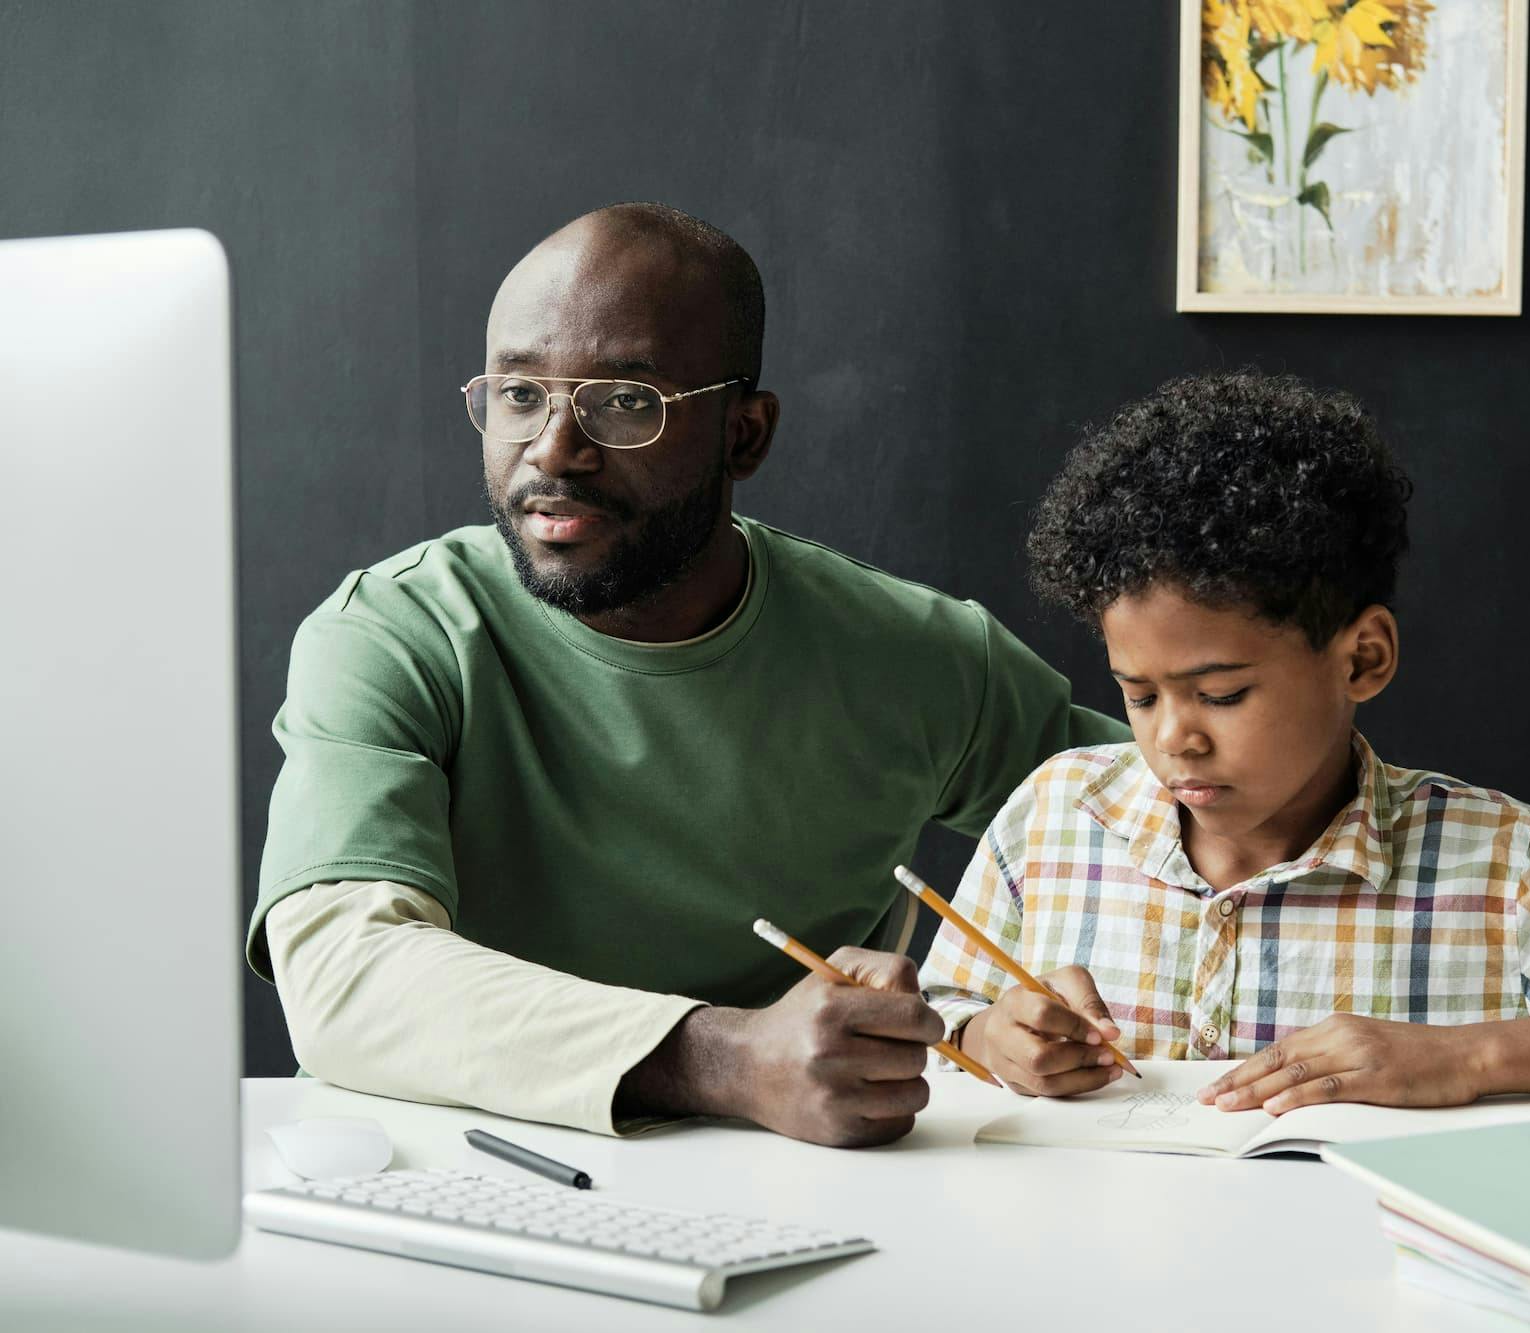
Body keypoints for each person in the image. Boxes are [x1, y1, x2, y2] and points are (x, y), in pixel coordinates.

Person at [246, 202, 1126, 1146]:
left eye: (626, 402)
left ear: (744, 435)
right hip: (437, 1184)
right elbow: (343, 970)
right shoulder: (396, 631)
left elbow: (1198, 792)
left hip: (790, 1208)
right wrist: (728, 1058)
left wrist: (1036, 1009)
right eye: (519, 394)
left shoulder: (915, 655)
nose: (553, 450)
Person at [919, 369, 1530, 1114]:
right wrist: (988, 1034)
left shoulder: (1495, 866)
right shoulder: (1054, 817)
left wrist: (1469, 1055)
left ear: (1362, 657)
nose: (1175, 740)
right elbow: (950, 1010)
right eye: (1139, 694)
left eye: (1223, 693)